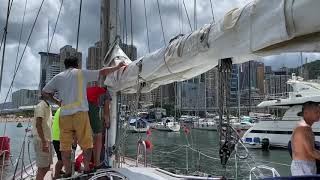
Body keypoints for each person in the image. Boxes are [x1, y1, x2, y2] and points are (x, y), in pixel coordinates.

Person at [42, 56, 126, 177]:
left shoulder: (58, 77)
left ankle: (68, 172)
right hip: (80, 114)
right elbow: (102, 72)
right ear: (77, 65)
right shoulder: (81, 73)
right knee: (87, 143)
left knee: (64, 146)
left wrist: (57, 102)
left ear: (65, 65)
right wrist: (117, 67)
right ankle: (87, 168)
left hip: (64, 115)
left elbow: (45, 92)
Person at [291, 101, 320, 176]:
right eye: (316, 112)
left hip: (305, 165)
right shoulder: (303, 129)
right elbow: (311, 152)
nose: (319, 114)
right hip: (303, 167)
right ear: (306, 113)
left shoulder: (305, 128)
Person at [87, 86, 111, 168]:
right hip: (92, 106)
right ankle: (97, 164)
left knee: (87, 138)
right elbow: (106, 112)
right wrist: (107, 123)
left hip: (82, 107)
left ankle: (86, 165)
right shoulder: (106, 93)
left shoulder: (92, 88)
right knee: (98, 136)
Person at [32, 96, 52, 180]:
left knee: (47, 166)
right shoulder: (40, 106)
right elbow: (38, 125)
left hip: (47, 140)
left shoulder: (48, 106)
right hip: (41, 140)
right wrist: (44, 142)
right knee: (42, 168)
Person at [52, 108, 63, 179]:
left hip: (56, 138)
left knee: (61, 157)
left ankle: (59, 171)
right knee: (61, 159)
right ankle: (56, 175)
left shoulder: (59, 109)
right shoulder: (63, 111)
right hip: (59, 138)